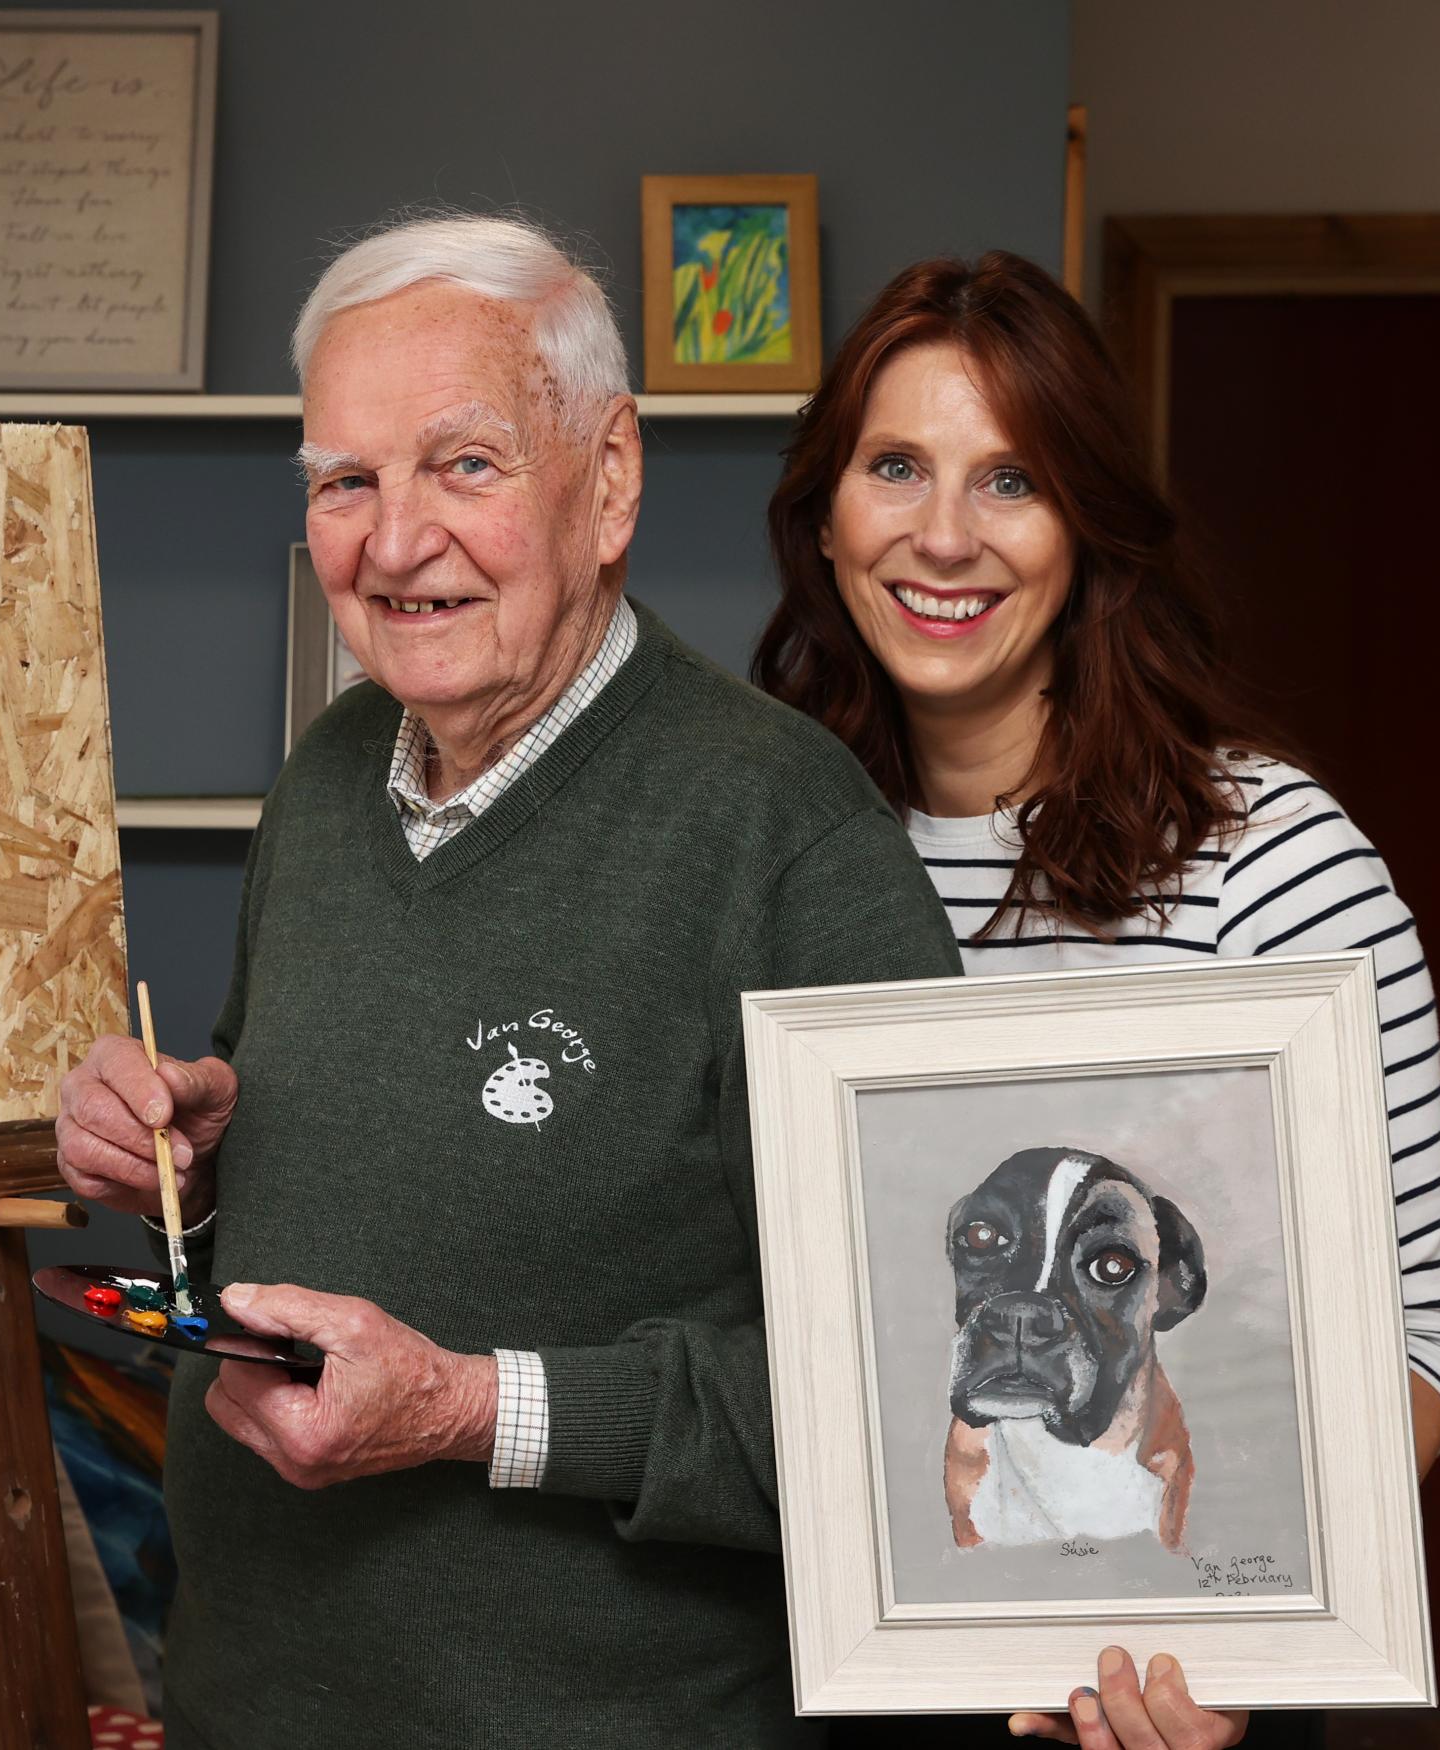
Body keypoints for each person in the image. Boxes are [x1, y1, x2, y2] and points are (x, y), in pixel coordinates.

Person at [56, 212, 961, 1749]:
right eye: (346, 478)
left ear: (607, 481)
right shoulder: (328, 781)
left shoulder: (789, 837)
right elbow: (326, 1200)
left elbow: (915, 1403)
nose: (392, 541)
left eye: (460, 463)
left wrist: (470, 1407)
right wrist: (187, 1176)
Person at [756, 251, 1440, 1750]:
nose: (943, 536)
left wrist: (1231, 1602)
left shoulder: (1274, 863)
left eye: (1011, 481)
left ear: (1087, 529)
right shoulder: (757, 859)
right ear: (826, 518)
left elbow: (1426, 1340)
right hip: (836, 1677)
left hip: (1171, 1690)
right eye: (896, 467)